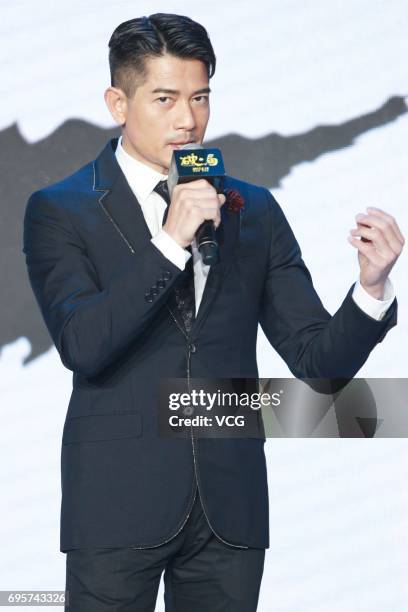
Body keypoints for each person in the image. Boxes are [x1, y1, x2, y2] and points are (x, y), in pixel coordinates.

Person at [22, 13, 403, 612]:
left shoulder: (252, 208)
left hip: (230, 508)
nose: (188, 120)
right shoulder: (61, 209)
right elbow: (83, 343)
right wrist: (170, 243)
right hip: (118, 502)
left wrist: (370, 290)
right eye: (166, 98)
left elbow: (315, 362)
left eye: (200, 97)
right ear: (118, 102)